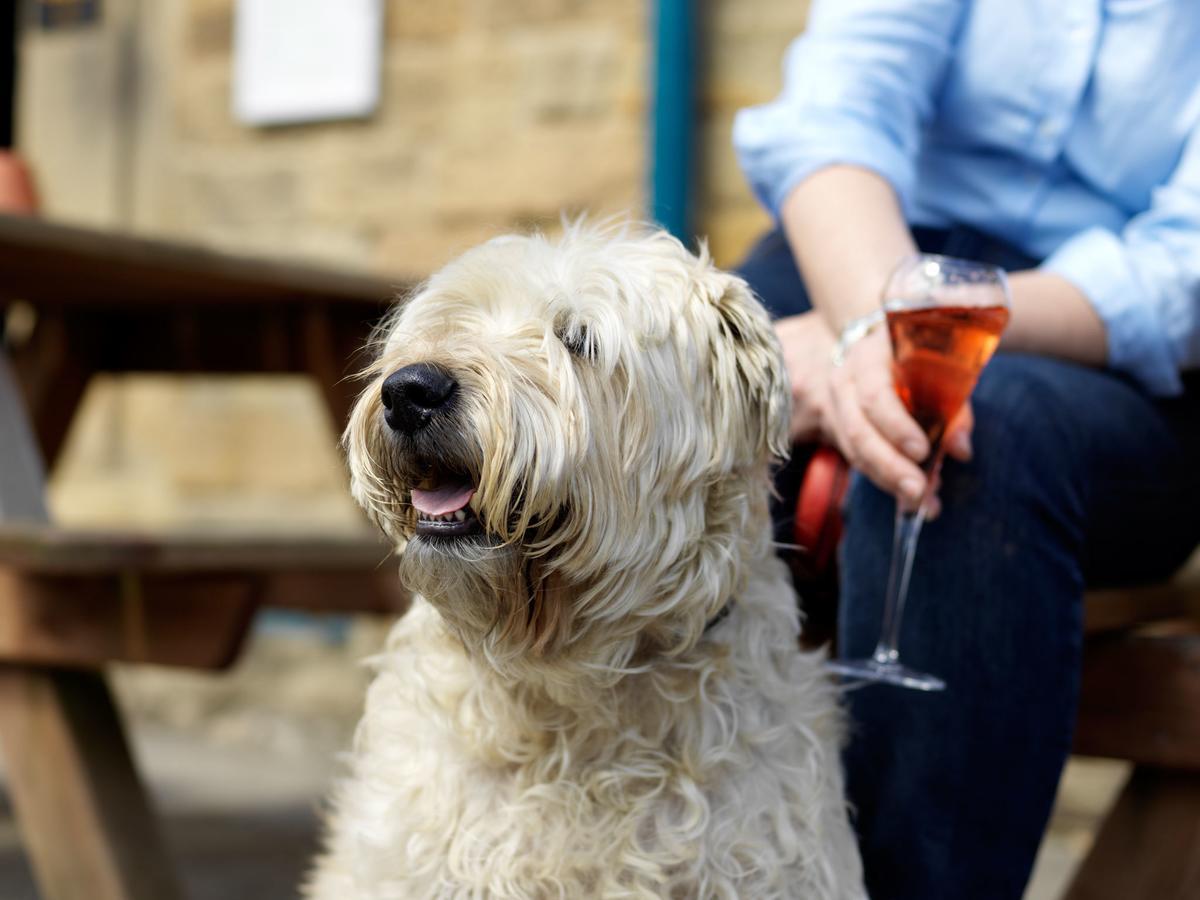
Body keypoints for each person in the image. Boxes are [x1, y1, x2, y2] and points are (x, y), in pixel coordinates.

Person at [731, 2, 1200, 898]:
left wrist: (922, 333)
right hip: (856, 248)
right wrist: (871, 321)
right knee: (665, 387)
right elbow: (839, 111)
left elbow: (1184, 268)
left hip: (1107, 348)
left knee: (984, 449)